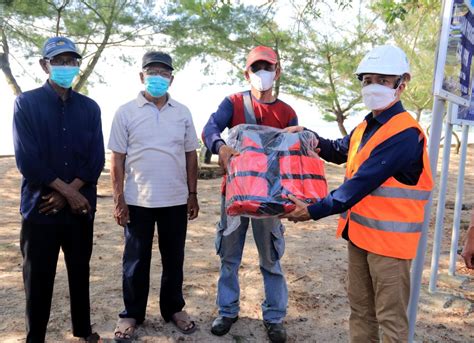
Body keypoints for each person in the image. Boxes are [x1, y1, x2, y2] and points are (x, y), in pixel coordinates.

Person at [283, 45, 434, 342]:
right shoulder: (366, 126)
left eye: (382, 79)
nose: (372, 86)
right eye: (367, 80)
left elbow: (360, 184)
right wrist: (310, 136)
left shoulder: (405, 133)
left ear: (401, 85)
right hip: (360, 236)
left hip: (390, 247)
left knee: (390, 320)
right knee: (361, 311)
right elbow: (340, 151)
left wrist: (311, 210)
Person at [202, 46, 298, 343]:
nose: (261, 74)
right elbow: (210, 128)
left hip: (270, 198)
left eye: (267, 67)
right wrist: (220, 147)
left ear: (277, 71)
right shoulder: (233, 103)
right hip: (235, 194)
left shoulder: (286, 112)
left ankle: (274, 317)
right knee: (229, 256)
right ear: (247, 73)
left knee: (270, 257)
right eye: (255, 68)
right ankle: (227, 311)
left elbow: (294, 155)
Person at [12, 36, 104, 343]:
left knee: (80, 272)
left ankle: (82, 330)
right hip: (41, 209)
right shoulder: (26, 104)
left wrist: (73, 194)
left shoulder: (90, 108)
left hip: (79, 210)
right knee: (37, 279)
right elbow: (28, 160)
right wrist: (69, 192)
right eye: (59, 61)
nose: (66, 67)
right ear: (44, 65)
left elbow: (95, 159)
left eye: (71, 61)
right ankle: (34, 337)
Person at [108, 51, 200, 339]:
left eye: (164, 73)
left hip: (175, 198)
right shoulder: (125, 112)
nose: (158, 78)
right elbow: (117, 159)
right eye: (152, 72)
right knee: (136, 261)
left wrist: (193, 193)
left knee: (174, 258)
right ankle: (131, 314)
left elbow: (190, 155)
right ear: (141, 76)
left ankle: (173, 308)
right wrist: (119, 199)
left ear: (172, 78)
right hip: (138, 200)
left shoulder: (182, 112)